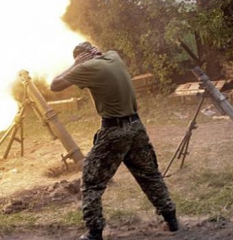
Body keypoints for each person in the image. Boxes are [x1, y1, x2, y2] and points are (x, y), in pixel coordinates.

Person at [50, 41, 178, 240]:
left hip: (114, 132)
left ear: (81, 57)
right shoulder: (114, 56)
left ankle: (94, 232)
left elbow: (55, 85)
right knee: (149, 175)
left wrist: (75, 65)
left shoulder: (87, 67)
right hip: (136, 127)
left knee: (91, 182)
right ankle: (171, 219)